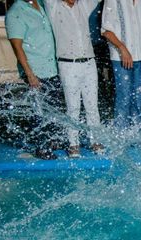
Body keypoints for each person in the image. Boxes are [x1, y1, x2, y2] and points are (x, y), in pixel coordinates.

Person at [44, 0, 103, 157]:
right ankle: (73, 144)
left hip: (89, 62)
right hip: (68, 65)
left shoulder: (82, 5)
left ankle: (95, 140)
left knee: (92, 106)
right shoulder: (54, 7)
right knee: (73, 107)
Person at [6, 0, 61, 159]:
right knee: (39, 111)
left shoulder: (42, 5)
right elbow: (17, 47)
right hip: (35, 70)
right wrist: (29, 74)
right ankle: (41, 147)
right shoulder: (15, 12)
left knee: (53, 108)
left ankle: (50, 141)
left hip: (52, 67)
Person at [101, 0, 141, 128]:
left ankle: (137, 135)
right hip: (121, 59)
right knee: (124, 99)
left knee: (139, 100)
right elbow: (105, 31)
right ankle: (121, 137)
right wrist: (122, 48)